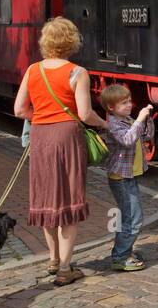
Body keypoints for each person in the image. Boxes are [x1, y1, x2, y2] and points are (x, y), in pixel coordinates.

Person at [13, 17, 107, 286]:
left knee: (46, 196)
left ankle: (53, 259)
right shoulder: (78, 73)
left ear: (46, 41)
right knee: (68, 198)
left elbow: (20, 110)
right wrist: (104, 123)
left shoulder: (32, 70)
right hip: (67, 136)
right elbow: (85, 113)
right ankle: (66, 268)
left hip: (41, 136)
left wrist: (41, 117)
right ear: (71, 41)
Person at [99, 84, 153, 271]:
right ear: (111, 108)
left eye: (129, 101)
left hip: (129, 176)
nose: (129, 105)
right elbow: (128, 140)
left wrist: (147, 119)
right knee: (133, 217)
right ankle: (120, 257)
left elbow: (145, 136)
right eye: (124, 103)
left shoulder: (128, 120)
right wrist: (139, 119)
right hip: (121, 178)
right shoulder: (114, 124)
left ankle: (124, 251)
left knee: (131, 216)